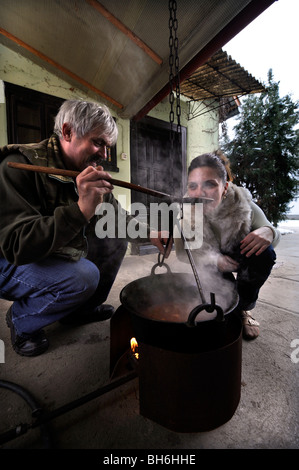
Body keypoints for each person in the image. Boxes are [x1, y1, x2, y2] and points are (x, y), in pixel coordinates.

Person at [0, 99, 169, 357]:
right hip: (9, 261)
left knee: (114, 238)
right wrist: (80, 210)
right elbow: (16, 245)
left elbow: (115, 217)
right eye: (98, 142)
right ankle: (22, 319)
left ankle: (77, 311)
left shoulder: (86, 171)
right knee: (83, 276)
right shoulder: (18, 165)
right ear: (68, 132)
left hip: (47, 252)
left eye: (107, 147)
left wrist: (149, 233)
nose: (104, 154)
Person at [175, 151, 280, 340]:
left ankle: (244, 310)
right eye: (193, 186)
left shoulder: (240, 202)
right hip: (209, 255)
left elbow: (270, 230)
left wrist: (269, 232)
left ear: (225, 188)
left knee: (265, 254)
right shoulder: (184, 210)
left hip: (238, 251)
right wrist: (215, 260)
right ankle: (226, 299)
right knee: (212, 286)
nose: (200, 193)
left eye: (210, 184)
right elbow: (182, 254)